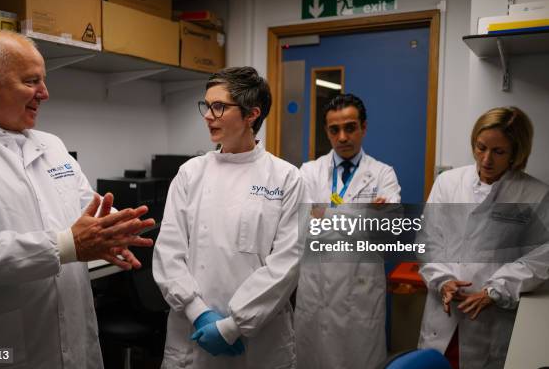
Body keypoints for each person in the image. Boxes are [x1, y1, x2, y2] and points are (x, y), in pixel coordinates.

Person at [0, 31, 155, 368]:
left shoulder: (51, 145)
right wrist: (67, 245)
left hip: (74, 341)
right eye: (31, 81)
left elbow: (86, 210)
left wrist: (111, 233)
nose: (45, 93)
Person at [153, 67, 304, 369]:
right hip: (193, 335)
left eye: (219, 106)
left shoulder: (286, 178)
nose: (208, 115)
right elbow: (169, 252)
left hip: (259, 340)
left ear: (251, 114)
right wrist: (198, 312)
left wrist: (231, 327)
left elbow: (285, 265)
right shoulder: (190, 174)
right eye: (206, 106)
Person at [417, 106, 549, 369]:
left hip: (491, 319)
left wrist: (497, 289)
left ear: (516, 153)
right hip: (443, 312)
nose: (486, 159)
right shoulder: (448, 182)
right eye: (480, 147)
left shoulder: (535, 194)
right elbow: (428, 240)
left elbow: (542, 257)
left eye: (499, 152)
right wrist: (443, 280)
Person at [295, 93, 401, 369]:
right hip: (316, 298)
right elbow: (300, 228)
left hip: (360, 299)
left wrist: (325, 214)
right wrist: (362, 217)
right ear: (327, 132)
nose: (342, 137)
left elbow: (386, 234)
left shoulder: (382, 174)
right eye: (334, 129)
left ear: (363, 128)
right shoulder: (308, 172)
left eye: (350, 127)